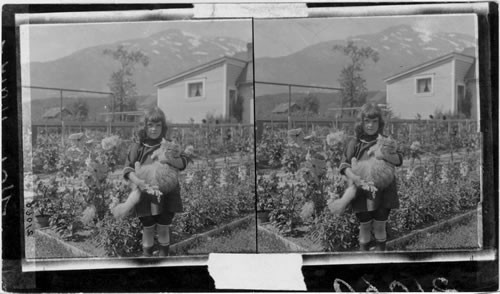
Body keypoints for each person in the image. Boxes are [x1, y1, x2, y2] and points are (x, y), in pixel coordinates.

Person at [122, 107, 188, 257]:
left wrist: (170, 158)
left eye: (158, 125)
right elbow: (128, 168)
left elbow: (183, 162)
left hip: (167, 193)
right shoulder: (138, 146)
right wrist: (138, 182)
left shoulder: (168, 144)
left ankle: (163, 260)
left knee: (164, 227)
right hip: (146, 193)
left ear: (163, 127)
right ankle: (147, 259)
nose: (154, 129)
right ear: (144, 126)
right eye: (150, 125)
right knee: (148, 228)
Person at [338, 103, 403, 251]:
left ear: (379, 123)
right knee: (365, 226)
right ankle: (364, 258)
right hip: (363, 190)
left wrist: (384, 154)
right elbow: (344, 165)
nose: (370, 125)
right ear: (361, 122)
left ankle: (380, 257)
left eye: (374, 121)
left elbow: (399, 159)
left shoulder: (385, 141)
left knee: (380, 225)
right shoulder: (354, 143)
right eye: (367, 121)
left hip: (384, 190)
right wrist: (354, 178)